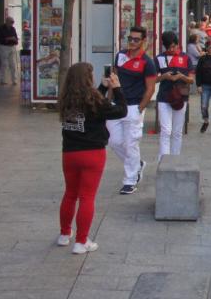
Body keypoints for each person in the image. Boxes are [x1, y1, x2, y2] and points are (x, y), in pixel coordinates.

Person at [58, 62, 128, 253]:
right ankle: (81, 242)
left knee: (70, 193)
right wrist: (117, 88)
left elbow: (89, 105)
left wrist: (104, 87)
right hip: (92, 153)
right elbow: (121, 110)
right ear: (87, 79)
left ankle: (65, 234)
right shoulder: (95, 101)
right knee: (87, 197)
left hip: (70, 153)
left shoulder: (66, 100)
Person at [109, 26, 158, 195]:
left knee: (131, 143)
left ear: (143, 41)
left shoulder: (148, 62)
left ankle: (130, 180)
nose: (132, 42)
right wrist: (108, 102)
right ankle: (137, 165)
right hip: (116, 105)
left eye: (136, 39)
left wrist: (140, 109)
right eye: (130, 38)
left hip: (133, 106)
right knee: (114, 142)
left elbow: (150, 89)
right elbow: (113, 79)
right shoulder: (120, 55)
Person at [154, 31, 194, 161]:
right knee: (166, 130)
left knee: (177, 131)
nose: (171, 49)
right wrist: (164, 76)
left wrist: (181, 76)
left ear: (177, 44)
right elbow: (152, 79)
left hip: (180, 98)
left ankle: (175, 159)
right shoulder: (159, 58)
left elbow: (192, 80)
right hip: (164, 98)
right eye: (168, 47)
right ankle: (164, 160)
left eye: (174, 46)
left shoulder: (186, 58)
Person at [0, 15, 19, 87]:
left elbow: (16, 39)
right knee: (4, 64)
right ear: (7, 22)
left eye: (13, 22)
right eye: (11, 22)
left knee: (13, 64)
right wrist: (7, 39)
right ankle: (3, 80)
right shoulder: (1, 28)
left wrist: (15, 40)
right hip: (4, 47)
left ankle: (14, 80)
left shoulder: (13, 29)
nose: (12, 23)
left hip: (12, 47)